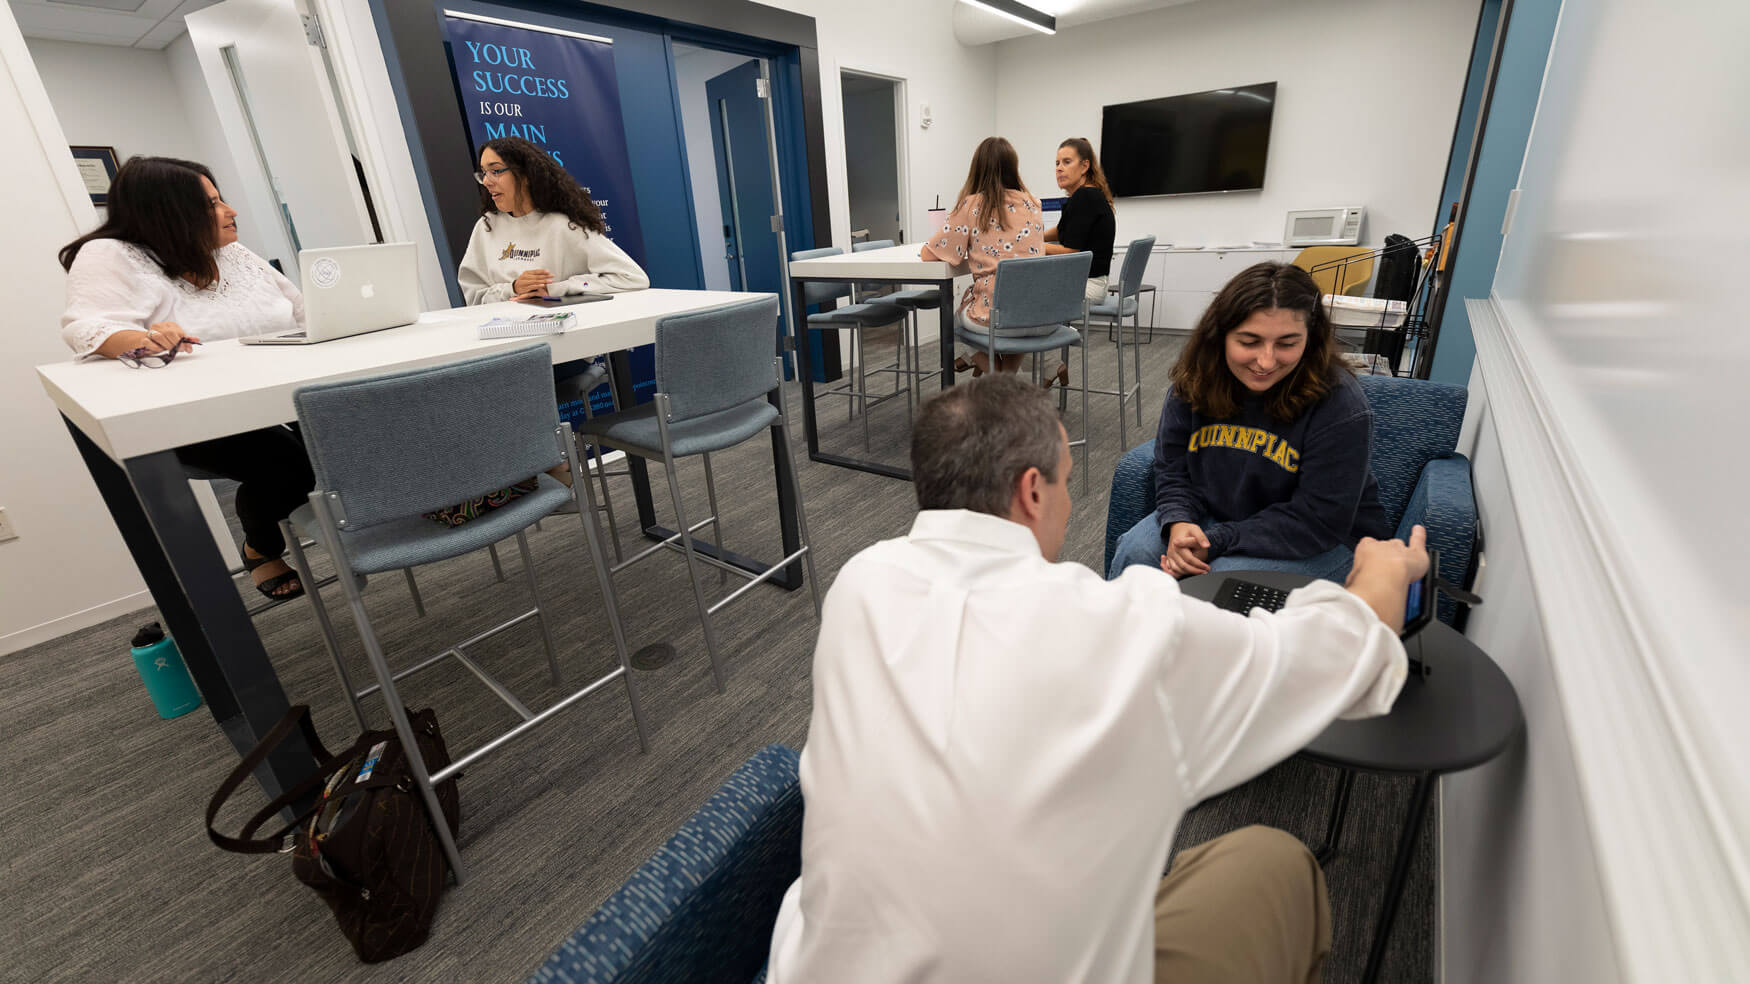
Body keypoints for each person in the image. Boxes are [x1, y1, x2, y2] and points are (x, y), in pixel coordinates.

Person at [765, 374, 1427, 983]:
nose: (1070, 501)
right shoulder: (1129, 630)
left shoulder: (859, 585)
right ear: (1031, 490)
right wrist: (1384, 573)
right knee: (1277, 866)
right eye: (1065, 482)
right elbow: (1341, 655)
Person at [58, 156, 314, 599]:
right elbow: (86, 328)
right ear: (170, 213)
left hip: (265, 396)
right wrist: (143, 337)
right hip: (187, 415)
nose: (231, 211)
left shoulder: (233, 253)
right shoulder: (111, 255)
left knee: (340, 435)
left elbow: (301, 309)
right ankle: (260, 547)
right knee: (291, 461)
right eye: (214, 203)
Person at [1109, 262, 1392, 583]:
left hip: (1322, 540)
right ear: (1220, 336)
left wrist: (1218, 541)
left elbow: (1319, 519)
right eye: (1249, 341)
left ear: (1310, 339)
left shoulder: (1340, 404)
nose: (1266, 361)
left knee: (1216, 582)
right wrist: (1179, 520)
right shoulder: (1196, 379)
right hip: (1217, 516)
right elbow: (1173, 468)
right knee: (1137, 554)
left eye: (1287, 343)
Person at [457, 136, 649, 304]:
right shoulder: (486, 227)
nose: (487, 182)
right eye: (483, 173)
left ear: (525, 175)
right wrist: (513, 288)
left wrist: (555, 289)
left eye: (496, 171)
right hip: (501, 336)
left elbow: (632, 277)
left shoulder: (564, 226)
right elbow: (474, 297)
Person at [921, 136, 1046, 376]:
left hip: (995, 316)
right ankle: (1007, 380)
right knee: (1014, 310)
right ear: (1013, 167)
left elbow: (931, 253)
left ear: (977, 168)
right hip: (1037, 314)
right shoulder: (1033, 203)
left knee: (954, 322)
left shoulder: (972, 204)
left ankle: (994, 374)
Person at [1039, 136, 1117, 389]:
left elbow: (1072, 249)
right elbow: (1062, 233)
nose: (1059, 168)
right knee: (1024, 304)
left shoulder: (1085, 197)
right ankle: (1051, 358)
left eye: (1066, 162)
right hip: (1092, 282)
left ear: (1084, 166)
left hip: (1088, 286)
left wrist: (1031, 248)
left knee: (1023, 305)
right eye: (1057, 163)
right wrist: (1029, 235)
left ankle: (1054, 354)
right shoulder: (1084, 197)